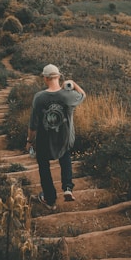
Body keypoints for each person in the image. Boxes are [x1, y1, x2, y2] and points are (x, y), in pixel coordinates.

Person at [26, 64, 86, 211]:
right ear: (58, 76)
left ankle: (50, 198)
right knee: (65, 158)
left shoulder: (39, 98)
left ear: (45, 78)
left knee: (44, 166)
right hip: (64, 137)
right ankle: (67, 187)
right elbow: (83, 95)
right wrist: (72, 83)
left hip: (44, 139)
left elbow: (33, 124)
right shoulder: (68, 95)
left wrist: (29, 141)